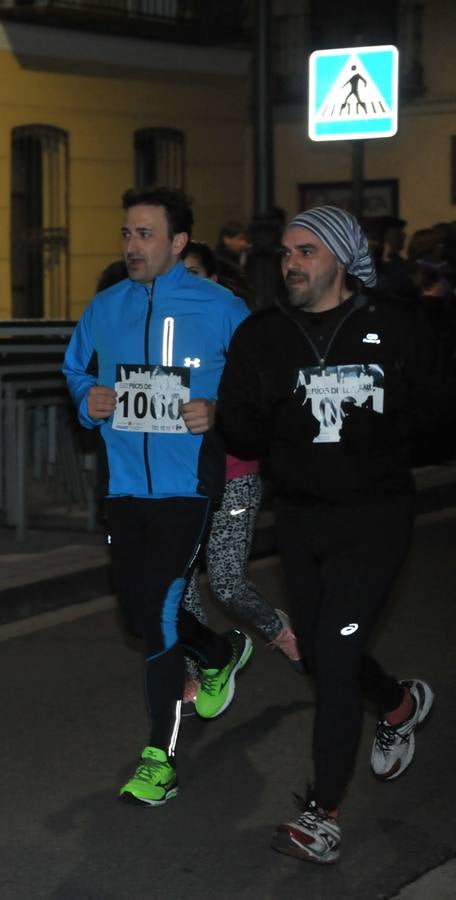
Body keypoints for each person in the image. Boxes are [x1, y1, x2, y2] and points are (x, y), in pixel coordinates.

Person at [218, 206, 441, 865]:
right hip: (303, 518)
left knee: (335, 659)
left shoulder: (393, 328)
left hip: (374, 516)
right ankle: (397, 704)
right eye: (287, 252)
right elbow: (241, 426)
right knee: (318, 651)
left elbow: (434, 412)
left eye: (307, 251)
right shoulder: (264, 336)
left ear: (340, 260)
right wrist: (278, 403)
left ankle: (323, 814)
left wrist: (376, 410)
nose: (291, 263)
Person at [61, 188, 253, 807]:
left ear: (177, 244)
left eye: (145, 235)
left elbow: (260, 390)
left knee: (162, 613)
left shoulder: (222, 308)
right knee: (138, 613)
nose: (132, 246)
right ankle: (220, 652)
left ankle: (160, 757)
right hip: (122, 486)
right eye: (126, 234)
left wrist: (219, 409)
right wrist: (87, 398)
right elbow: (75, 369)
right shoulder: (106, 306)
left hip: (187, 484)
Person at [175, 242, 303, 703]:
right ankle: (200, 668)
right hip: (182, 480)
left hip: (233, 475)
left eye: (191, 273)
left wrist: (219, 409)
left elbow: (265, 398)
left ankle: (276, 626)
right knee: (182, 582)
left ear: (212, 279)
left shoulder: (238, 329)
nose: (181, 284)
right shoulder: (162, 333)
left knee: (227, 582)